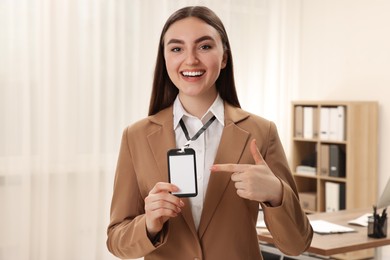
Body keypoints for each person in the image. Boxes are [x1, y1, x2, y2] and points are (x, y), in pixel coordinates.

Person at [107, 6, 313, 260]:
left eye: (204, 47)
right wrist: (149, 224)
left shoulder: (261, 132)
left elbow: (297, 244)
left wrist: (276, 193)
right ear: (165, 59)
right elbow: (117, 241)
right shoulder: (135, 136)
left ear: (224, 57)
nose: (191, 59)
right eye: (176, 48)